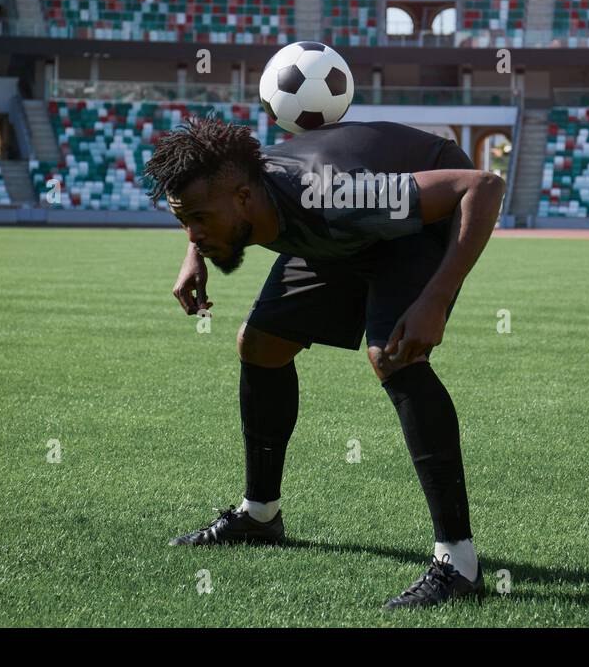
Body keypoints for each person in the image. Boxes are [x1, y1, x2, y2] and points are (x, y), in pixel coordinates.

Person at [143, 116, 505, 609]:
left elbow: (481, 186)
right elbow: (210, 189)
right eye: (184, 220)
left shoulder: (338, 195)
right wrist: (196, 251)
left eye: (199, 220)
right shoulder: (237, 178)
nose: (193, 230)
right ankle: (261, 514)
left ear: (245, 199)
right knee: (261, 344)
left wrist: (436, 298)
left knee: (394, 356)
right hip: (336, 233)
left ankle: (459, 563)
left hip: (415, 227)